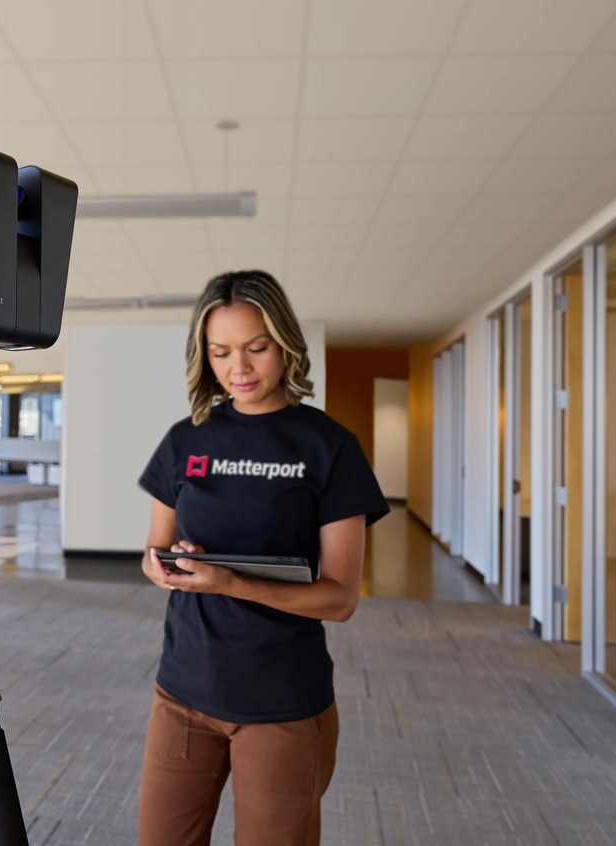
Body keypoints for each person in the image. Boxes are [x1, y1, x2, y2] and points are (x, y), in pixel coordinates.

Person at [136, 270, 389, 846]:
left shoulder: (329, 448)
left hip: (282, 703)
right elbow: (152, 557)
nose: (239, 369)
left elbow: (341, 599)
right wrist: (167, 567)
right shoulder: (186, 440)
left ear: (285, 344)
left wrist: (229, 582)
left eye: (256, 348)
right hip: (182, 693)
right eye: (220, 352)